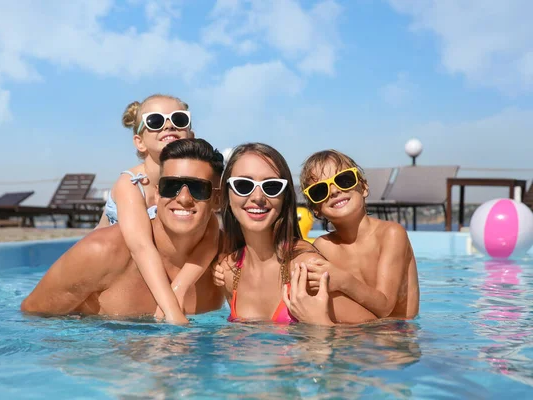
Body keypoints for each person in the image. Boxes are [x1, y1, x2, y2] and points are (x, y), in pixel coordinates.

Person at [21, 139, 224, 318]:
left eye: (198, 188)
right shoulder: (101, 251)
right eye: (171, 186)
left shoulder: (227, 256)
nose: (183, 198)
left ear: (217, 199)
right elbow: (32, 315)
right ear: (157, 192)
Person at [212, 143, 377, 325]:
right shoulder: (229, 272)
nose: (258, 197)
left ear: (285, 197)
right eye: (243, 185)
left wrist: (322, 327)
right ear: (227, 196)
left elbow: (380, 336)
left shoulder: (306, 269)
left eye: (272, 186)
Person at [95, 94, 218, 324]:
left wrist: (179, 288)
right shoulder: (131, 184)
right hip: (112, 275)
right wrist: (173, 312)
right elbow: (141, 247)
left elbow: (211, 235)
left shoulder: (191, 185)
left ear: (190, 134)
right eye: (155, 121)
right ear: (139, 142)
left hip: (151, 277)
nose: (168, 125)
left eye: (179, 119)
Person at [299, 149, 420, 320]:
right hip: (353, 336)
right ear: (316, 209)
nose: (334, 191)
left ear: (363, 187)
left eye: (344, 180)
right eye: (320, 190)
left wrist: (343, 280)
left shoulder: (391, 234)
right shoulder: (323, 247)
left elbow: (385, 307)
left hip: (396, 336)